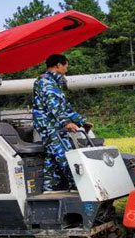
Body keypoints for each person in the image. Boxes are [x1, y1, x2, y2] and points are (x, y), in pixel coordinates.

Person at [32, 54, 93, 192]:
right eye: (66, 66)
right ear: (58, 66)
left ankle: (48, 188)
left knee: (52, 156)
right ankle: (80, 187)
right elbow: (53, 106)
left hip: (55, 125)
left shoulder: (56, 83)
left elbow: (65, 107)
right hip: (48, 126)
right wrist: (66, 123)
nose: (66, 69)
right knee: (65, 155)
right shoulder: (45, 82)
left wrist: (81, 121)